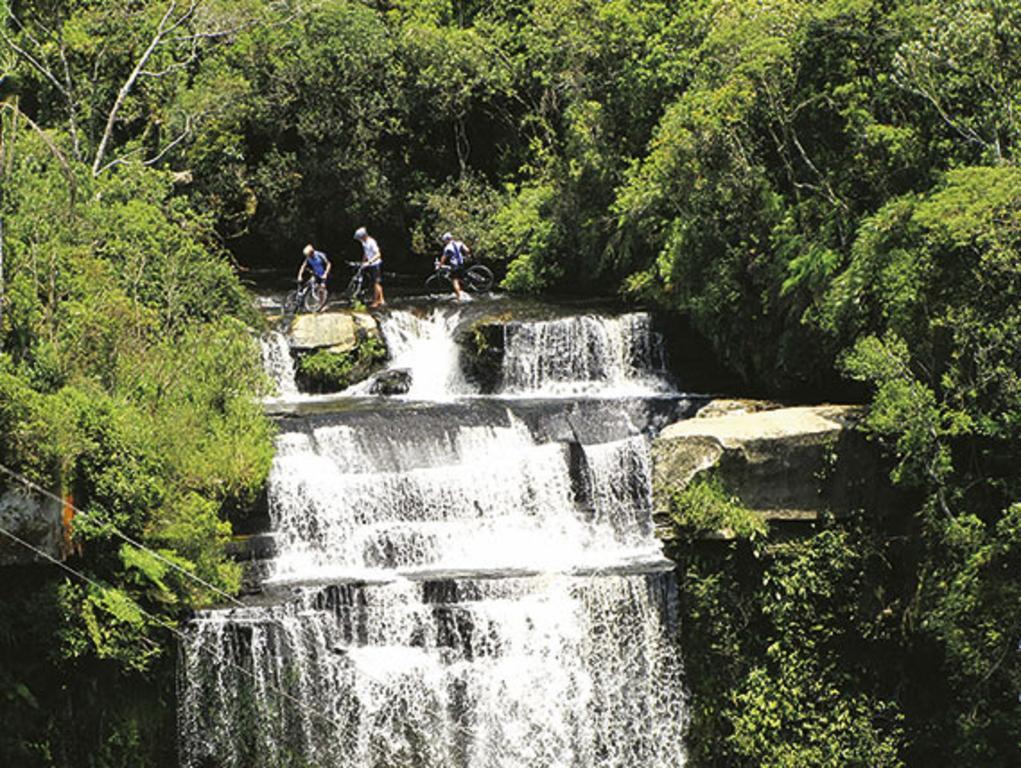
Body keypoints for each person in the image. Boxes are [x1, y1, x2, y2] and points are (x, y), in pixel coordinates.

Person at [354, 227, 385, 308]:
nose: (359, 240)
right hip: (370, 264)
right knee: (376, 282)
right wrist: (363, 262)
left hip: (375, 264)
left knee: (376, 283)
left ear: (364, 236)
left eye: (360, 238)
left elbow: (378, 254)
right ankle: (381, 299)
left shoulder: (371, 242)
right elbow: (365, 252)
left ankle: (376, 301)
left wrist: (370, 262)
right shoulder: (363, 242)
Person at [439, 232, 471, 301]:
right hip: (461, 264)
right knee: (460, 277)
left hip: (455, 265)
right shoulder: (459, 243)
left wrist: (440, 265)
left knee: (454, 281)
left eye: (444, 241)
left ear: (447, 240)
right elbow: (467, 250)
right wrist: (467, 255)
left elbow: (443, 258)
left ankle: (459, 297)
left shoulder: (447, 248)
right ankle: (462, 291)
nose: (444, 242)